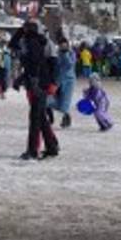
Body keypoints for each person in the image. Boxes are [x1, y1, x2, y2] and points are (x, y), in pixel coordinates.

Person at [9, 20, 59, 161]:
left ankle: (33, 150)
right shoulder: (32, 42)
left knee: (36, 117)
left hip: (38, 84)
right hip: (38, 82)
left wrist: (51, 82)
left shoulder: (36, 43)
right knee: (40, 116)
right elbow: (13, 46)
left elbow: (41, 65)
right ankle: (51, 146)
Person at [52, 37, 78, 127]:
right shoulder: (57, 53)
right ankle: (64, 115)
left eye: (64, 44)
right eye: (60, 44)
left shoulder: (71, 53)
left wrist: (65, 54)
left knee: (65, 101)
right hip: (58, 80)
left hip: (69, 80)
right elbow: (56, 67)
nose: (62, 46)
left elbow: (69, 65)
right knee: (51, 100)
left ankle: (66, 118)